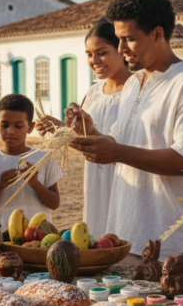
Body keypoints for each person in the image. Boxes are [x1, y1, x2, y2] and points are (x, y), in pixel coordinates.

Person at [66, 0, 183, 259]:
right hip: (122, 236)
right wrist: (90, 132)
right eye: (119, 39)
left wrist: (116, 152)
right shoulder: (134, 83)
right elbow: (119, 143)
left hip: (166, 245)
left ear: (157, 34)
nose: (122, 49)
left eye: (129, 39)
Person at [38, 19, 135, 239]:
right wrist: (61, 131)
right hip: (96, 181)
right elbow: (86, 140)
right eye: (89, 54)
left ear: (121, 50)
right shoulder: (93, 92)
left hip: (126, 177)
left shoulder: (138, 90)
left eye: (101, 52)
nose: (94, 61)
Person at [0, 94, 62, 228]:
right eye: (5, 125)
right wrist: (0, 186)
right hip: (0, 234)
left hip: (36, 234)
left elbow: (54, 203)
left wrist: (34, 183)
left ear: (30, 127)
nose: (10, 131)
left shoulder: (43, 158)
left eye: (18, 126)